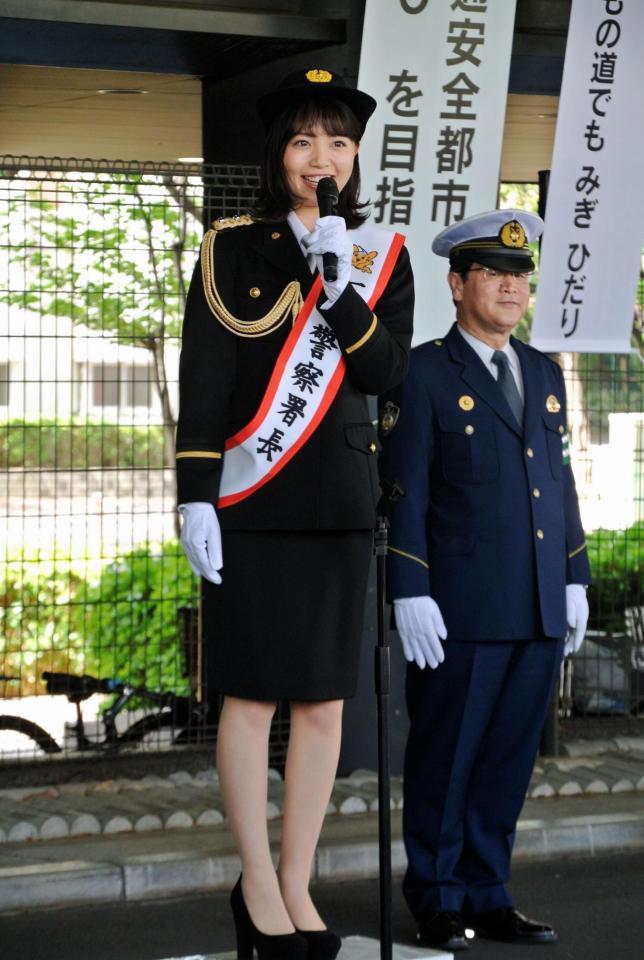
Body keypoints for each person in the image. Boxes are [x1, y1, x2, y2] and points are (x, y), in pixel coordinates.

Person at [176, 67, 414, 959]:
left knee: (322, 705)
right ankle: (256, 885)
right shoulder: (230, 249)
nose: (322, 158)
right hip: (249, 501)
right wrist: (195, 494)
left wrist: (337, 285)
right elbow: (206, 379)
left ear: (354, 158)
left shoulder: (380, 254)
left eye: (339, 142)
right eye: (304, 141)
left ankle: (296, 884)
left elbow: (386, 372)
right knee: (251, 696)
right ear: (278, 154)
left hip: (338, 504)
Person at [378, 209, 591, 952]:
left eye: (520, 275)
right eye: (495, 274)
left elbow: (558, 485)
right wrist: (408, 587)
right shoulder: (425, 372)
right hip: (461, 609)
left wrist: (574, 576)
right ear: (458, 284)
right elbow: (404, 490)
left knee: (505, 761)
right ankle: (437, 896)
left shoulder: (542, 371)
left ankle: (489, 891)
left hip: (533, 602)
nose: (511, 286)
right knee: (447, 757)